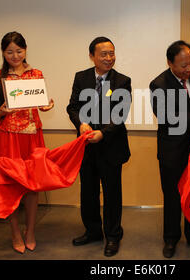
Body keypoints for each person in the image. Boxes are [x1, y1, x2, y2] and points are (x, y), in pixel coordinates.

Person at [0, 31, 54, 254]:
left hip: (33, 134)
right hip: (8, 136)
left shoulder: (36, 73)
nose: (15, 56)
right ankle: (15, 232)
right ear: (3, 53)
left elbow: (40, 101)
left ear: (25, 50)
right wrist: (1, 111)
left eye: (19, 51)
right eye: (9, 52)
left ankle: (30, 231)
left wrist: (45, 106)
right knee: (12, 186)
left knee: (32, 186)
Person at [67, 36, 131, 257]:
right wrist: (80, 123)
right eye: (103, 54)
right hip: (85, 146)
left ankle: (113, 236)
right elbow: (72, 107)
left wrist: (103, 133)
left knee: (112, 194)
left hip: (111, 145)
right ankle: (93, 231)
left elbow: (120, 114)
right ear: (92, 56)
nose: (109, 57)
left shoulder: (122, 81)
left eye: (112, 53)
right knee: (88, 192)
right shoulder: (81, 77)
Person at [149, 40, 190, 258]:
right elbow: (166, 117)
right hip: (171, 151)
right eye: (183, 65)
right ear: (170, 63)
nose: (188, 69)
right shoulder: (159, 84)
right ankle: (171, 239)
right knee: (173, 196)